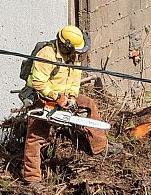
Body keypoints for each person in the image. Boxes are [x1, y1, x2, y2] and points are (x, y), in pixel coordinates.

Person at [21, 25, 112, 184]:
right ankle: (32, 178)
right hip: (43, 98)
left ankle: (100, 147)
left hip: (64, 98)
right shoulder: (47, 55)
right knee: (35, 137)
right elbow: (38, 83)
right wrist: (58, 98)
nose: (78, 55)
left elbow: (75, 80)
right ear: (66, 46)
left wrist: (71, 97)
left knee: (88, 104)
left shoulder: (73, 57)